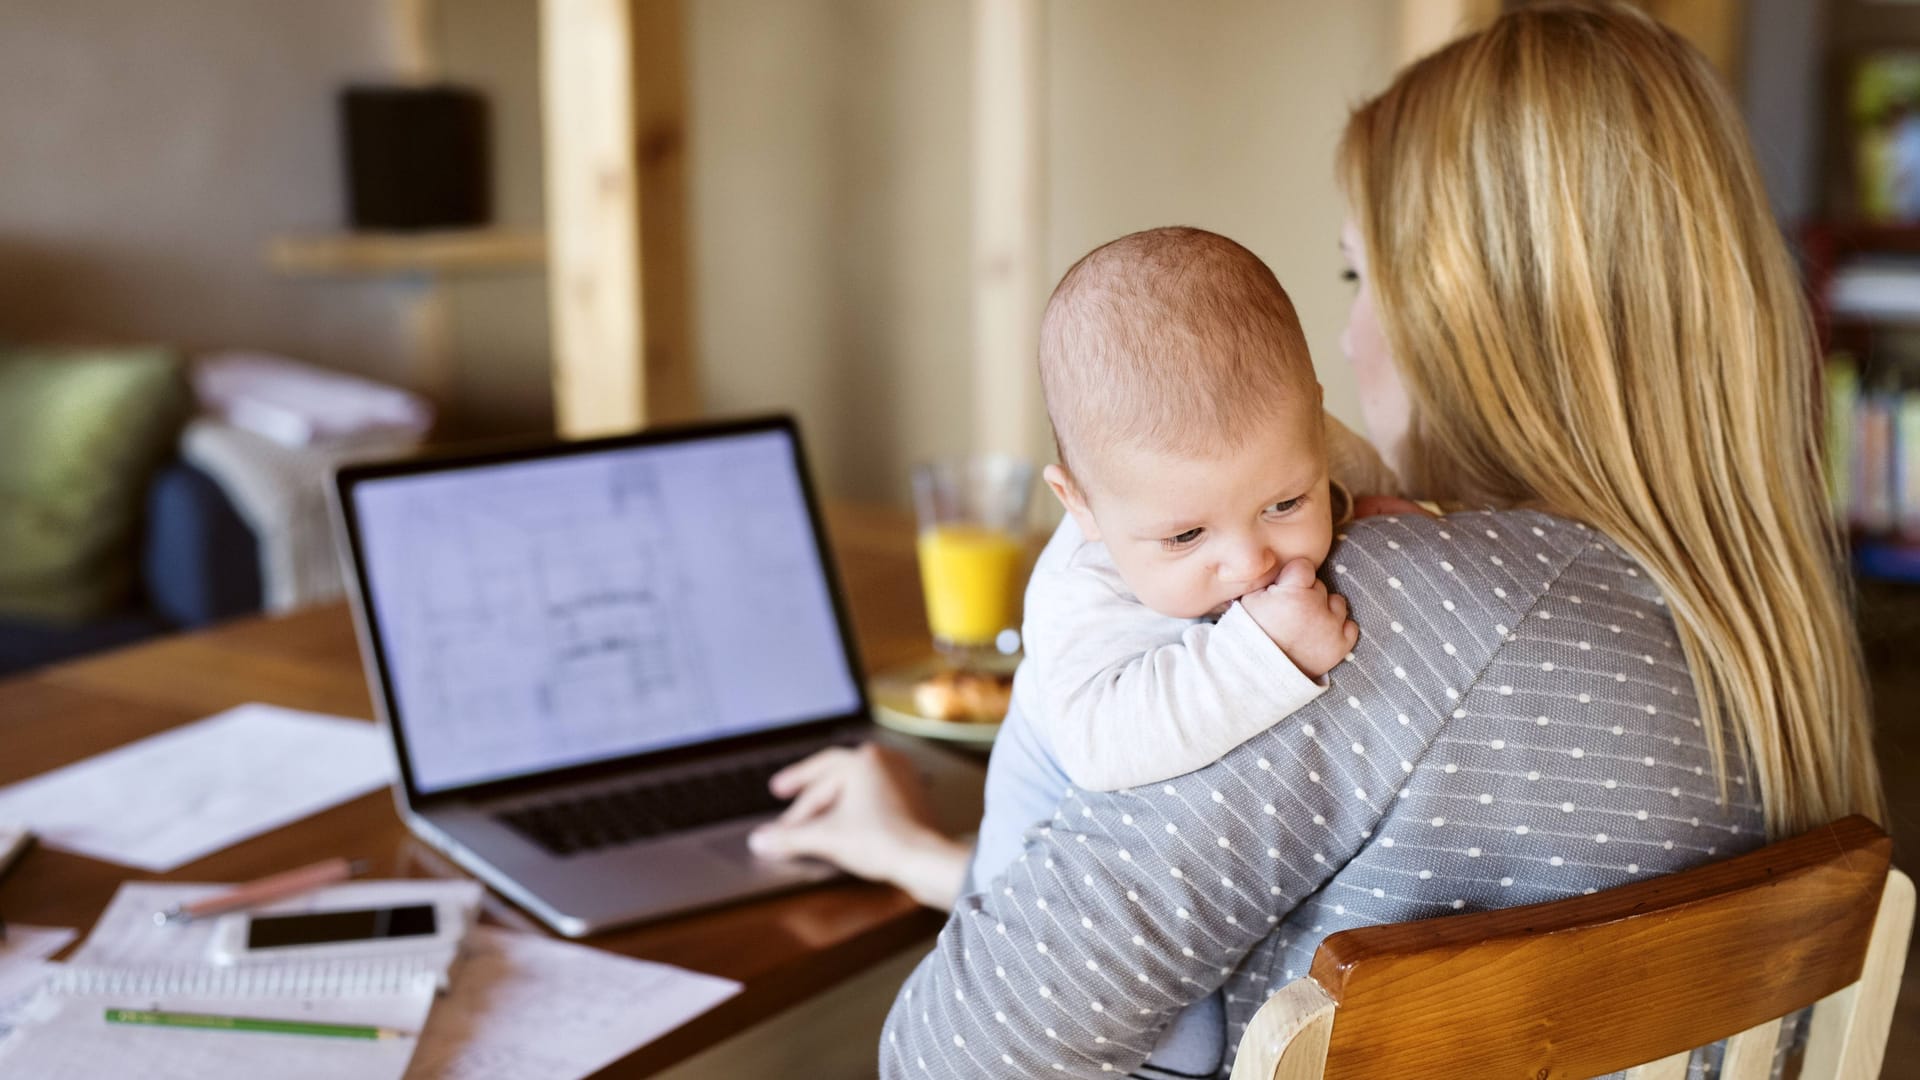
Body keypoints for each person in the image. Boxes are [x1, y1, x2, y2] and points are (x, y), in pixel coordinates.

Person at [749, 3, 1884, 1077]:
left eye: (1359, 275)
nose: (1343, 337)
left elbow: (959, 1051)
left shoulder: (1389, 614)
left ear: (1467, 315)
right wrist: (924, 860)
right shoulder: (1764, 633)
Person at [1023, 225, 1377, 795]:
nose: (1247, 563)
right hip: (1040, 827)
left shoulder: (1289, 439)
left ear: (1316, 417)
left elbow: (1387, 484)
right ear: (1080, 505)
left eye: (1285, 503)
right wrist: (1266, 653)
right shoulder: (1082, 590)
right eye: (1186, 536)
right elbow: (1098, 749)